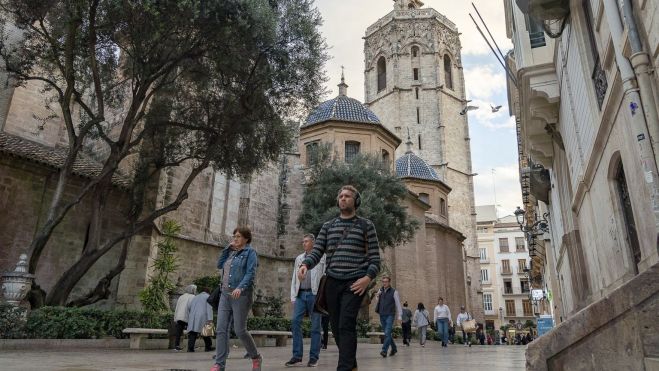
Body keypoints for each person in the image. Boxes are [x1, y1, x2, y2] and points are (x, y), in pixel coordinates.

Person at [298, 185, 380, 371]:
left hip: (355, 283)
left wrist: (367, 278)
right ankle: (351, 365)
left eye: (348, 196)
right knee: (335, 327)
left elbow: (375, 259)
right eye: (341, 196)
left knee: (346, 324)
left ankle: (343, 367)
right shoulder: (328, 226)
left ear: (356, 201)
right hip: (332, 282)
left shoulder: (366, 226)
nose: (343, 198)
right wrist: (305, 265)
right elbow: (317, 251)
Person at [211, 226, 262, 371]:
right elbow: (219, 264)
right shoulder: (231, 253)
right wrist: (227, 248)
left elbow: (250, 273)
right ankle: (219, 365)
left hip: (241, 295)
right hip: (225, 295)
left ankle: (255, 356)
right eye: (234, 236)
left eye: (238, 236)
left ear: (246, 238)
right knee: (221, 329)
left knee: (240, 330)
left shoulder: (250, 252)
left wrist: (240, 287)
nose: (235, 238)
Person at [286, 233, 326, 367]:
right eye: (303, 241)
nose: (304, 243)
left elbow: (324, 277)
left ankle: (314, 357)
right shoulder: (299, 258)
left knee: (315, 327)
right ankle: (297, 355)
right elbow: (294, 278)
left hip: (315, 295)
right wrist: (293, 296)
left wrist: (323, 297)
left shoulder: (322, 257)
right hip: (300, 295)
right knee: (295, 322)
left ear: (313, 243)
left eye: (306, 241)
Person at [374, 276, 402, 358]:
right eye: (383, 281)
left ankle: (384, 350)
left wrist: (400, 316)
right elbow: (377, 300)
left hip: (390, 314)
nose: (384, 283)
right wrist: (377, 296)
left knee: (387, 333)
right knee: (388, 334)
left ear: (389, 282)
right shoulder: (380, 290)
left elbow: (398, 304)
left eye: (386, 281)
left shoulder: (394, 292)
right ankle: (394, 348)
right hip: (382, 314)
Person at [187, 287, 214, 352]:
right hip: (202, 316)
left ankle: (190, 348)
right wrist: (210, 318)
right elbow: (209, 308)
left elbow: (189, 307)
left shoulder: (195, 297)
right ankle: (208, 347)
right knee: (205, 332)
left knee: (193, 332)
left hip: (193, 316)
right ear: (208, 292)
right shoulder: (208, 297)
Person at [173, 284, 197, 351]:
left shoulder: (182, 296)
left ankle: (176, 346)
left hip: (179, 316)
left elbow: (177, 307)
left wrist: (175, 317)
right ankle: (190, 347)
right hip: (187, 317)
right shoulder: (193, 297)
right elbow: (192, 308)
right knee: (192, 332)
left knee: (178, 332)